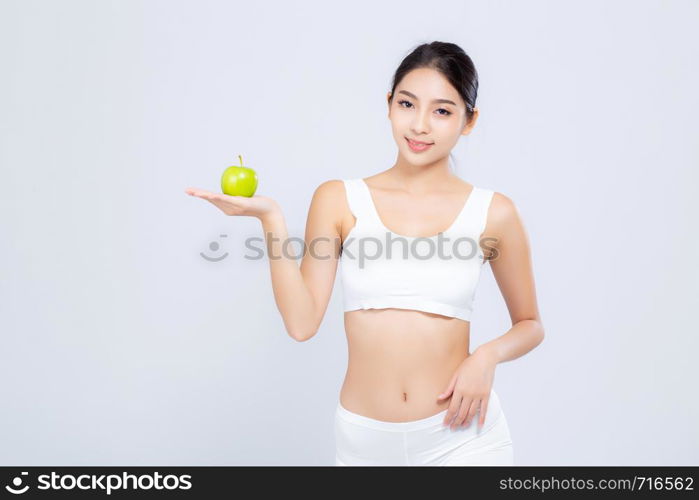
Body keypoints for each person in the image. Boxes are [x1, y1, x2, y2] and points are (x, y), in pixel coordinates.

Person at [185, 41, 544, 466]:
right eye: (408, 104)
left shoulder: (493, 213)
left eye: (442, 111)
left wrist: (487, 356)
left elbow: (530, 324)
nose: (420, 125)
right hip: (365, 443)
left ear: (469, 121)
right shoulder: (339, 199)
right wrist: (271, 219)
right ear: (389, 104)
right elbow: (301, 324)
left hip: (462, 438)